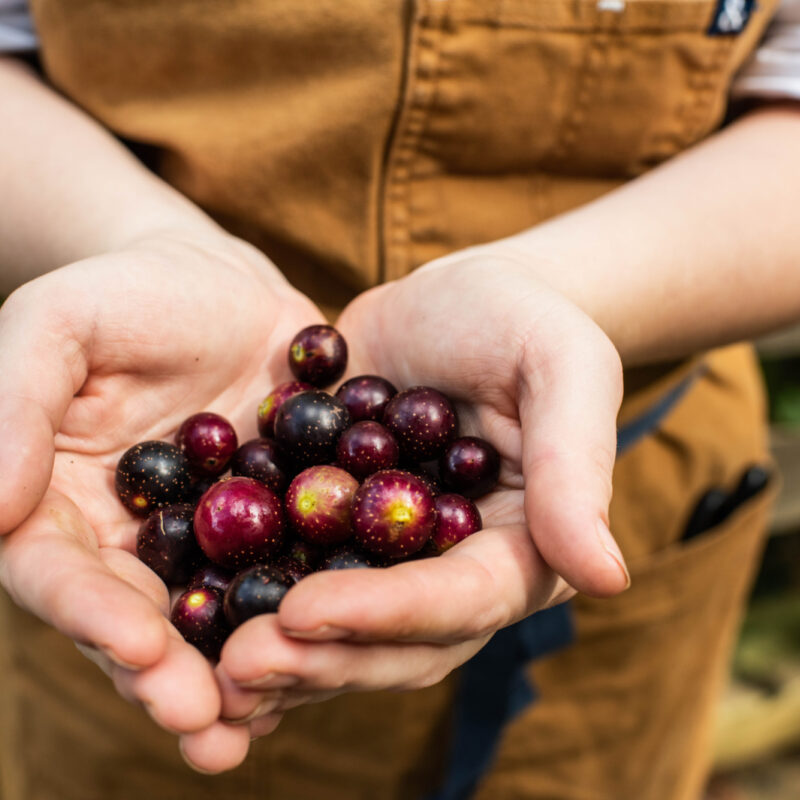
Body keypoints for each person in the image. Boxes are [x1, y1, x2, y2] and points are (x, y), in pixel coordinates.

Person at [0, 1, 798, 798]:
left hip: (632, 480)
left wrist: (557, 291)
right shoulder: (266, 482)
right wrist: (136, 241)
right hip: (117, 677)